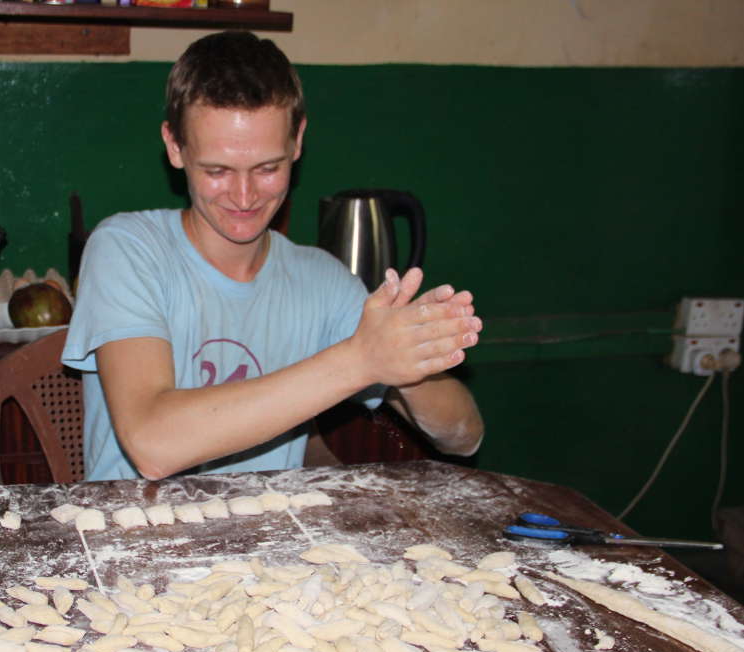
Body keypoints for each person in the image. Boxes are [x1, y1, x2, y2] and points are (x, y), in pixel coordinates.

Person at [62, 30, 483, 482]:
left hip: (269, 544)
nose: (244, 196)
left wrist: (407, 353)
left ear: (297, 141)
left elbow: (465, 436)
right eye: (217, 170)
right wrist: (361, 360)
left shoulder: (321, 279)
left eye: (267, 168)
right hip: (135, 542)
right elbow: (153, 444)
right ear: (174, 146)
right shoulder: (125, 248)